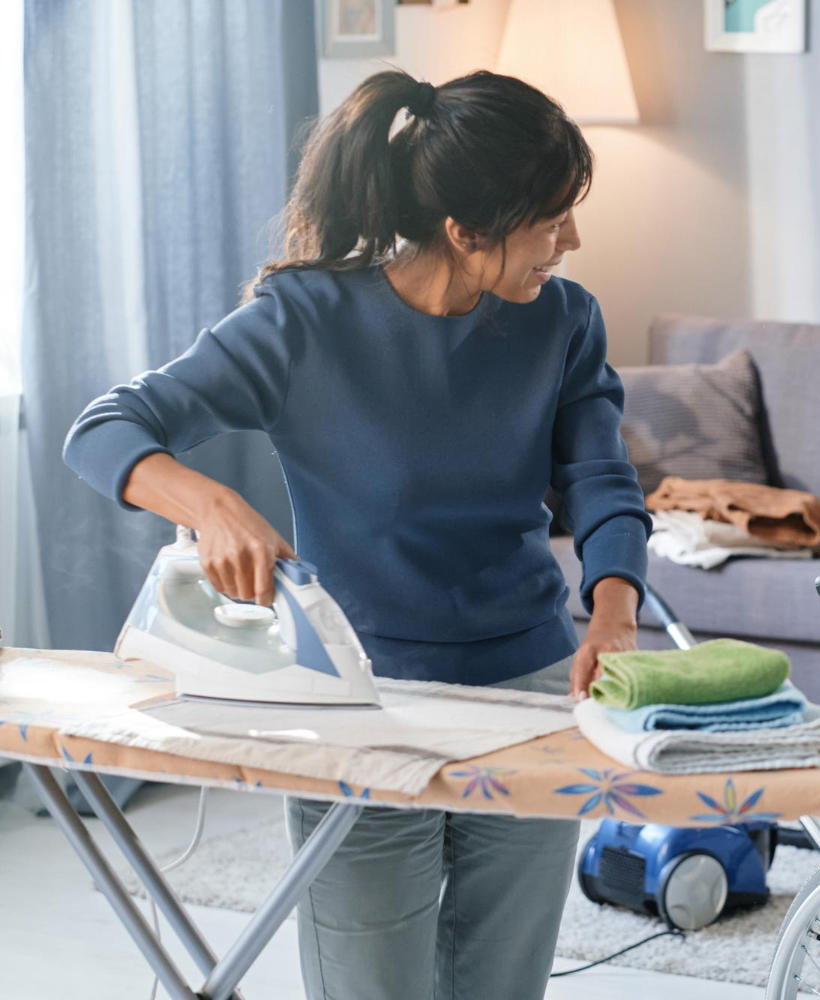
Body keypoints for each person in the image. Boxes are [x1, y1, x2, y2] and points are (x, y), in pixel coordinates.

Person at [62, 70, 650, 1000]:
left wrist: (613, 610)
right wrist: (209, 507)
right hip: (361, 706)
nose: (571, 241)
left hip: (533, 697)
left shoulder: (563, 322)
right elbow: (105, 429)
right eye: (551, 217)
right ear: (466, 231)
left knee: (502, 984)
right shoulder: (305, 320)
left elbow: (602, 480)